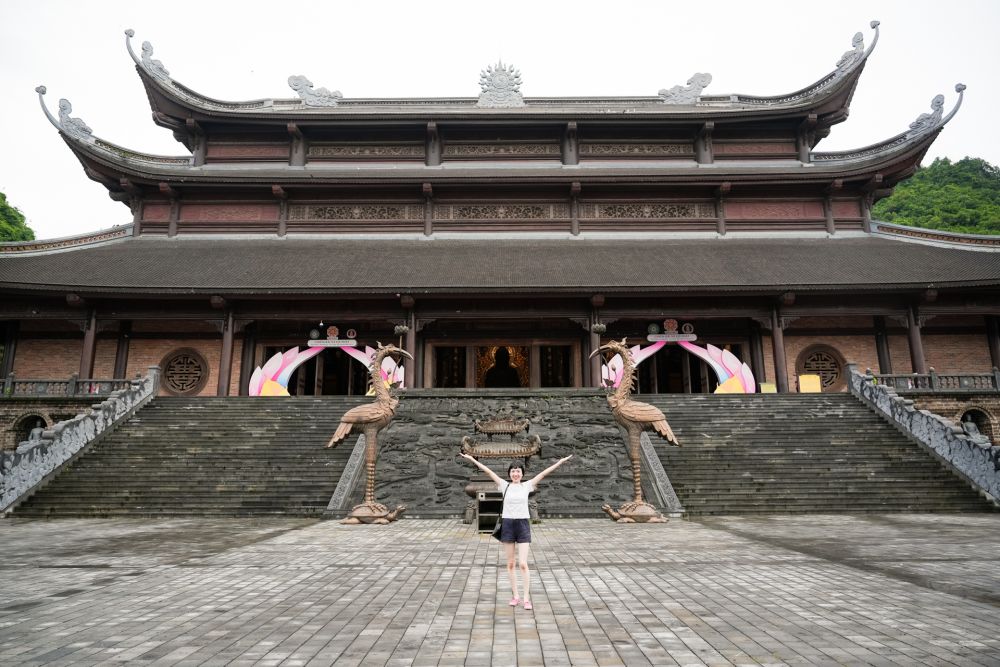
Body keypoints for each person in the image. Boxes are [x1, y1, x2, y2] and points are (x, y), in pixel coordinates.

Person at [460, 452, 572, 611]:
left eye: (518, 471)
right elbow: (488, 471)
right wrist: (472, 459)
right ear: (509, 474)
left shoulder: (527, 486)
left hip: (522, 525)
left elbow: (543, 474)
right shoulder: (504, 485)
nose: (515, 473)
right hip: (508, 524)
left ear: (522, 474)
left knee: (523, 564)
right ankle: (515, 596)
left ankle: (526, 598)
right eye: (513, 471)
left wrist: (559, 462)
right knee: (511, 563)